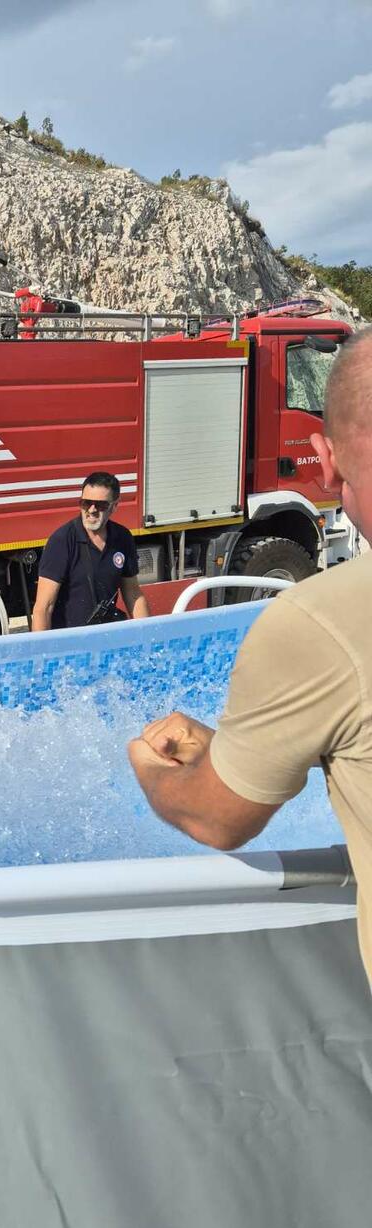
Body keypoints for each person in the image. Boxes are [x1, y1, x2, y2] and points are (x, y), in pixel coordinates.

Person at [128, 327, 372, 988]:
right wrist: (236, 744)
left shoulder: (318, 623)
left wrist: (148, 766)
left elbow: (216, 815)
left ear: (323, 458)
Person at [31, 472, 150, 630]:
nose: (92, 510)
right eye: (86, 503)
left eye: (100, 505)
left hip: (106, 635)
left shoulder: (122, 537)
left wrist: (149, 639)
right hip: (69, 640)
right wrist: (43, 653)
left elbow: (133, 594)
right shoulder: (62, 540)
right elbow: (43, 608)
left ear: (114, 506)